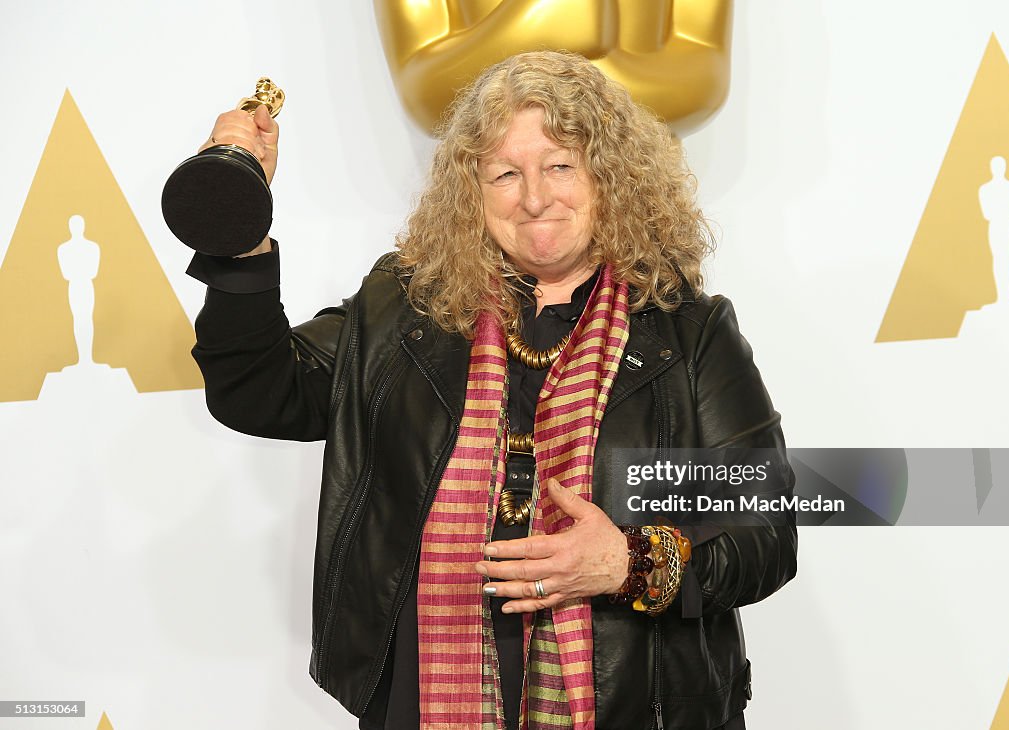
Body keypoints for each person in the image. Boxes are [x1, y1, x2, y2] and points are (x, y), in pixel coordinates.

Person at [186, 51, 797, 730]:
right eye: (506, 173)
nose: (535, 197)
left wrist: (627, 561)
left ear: (610, 176)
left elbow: (765, 535)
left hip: (633, 707)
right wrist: (236, 232)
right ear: (470, 190)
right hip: (422, 706)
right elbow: (256, 389)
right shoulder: (406, 307)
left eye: (560, 166)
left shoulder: (688, 333)